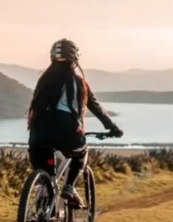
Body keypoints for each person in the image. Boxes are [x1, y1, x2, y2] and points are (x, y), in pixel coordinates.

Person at [27, 39, 122, 206]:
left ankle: (42, 209)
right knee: (81, 152)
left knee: (46, 173)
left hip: (38, 134)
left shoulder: (44, 80)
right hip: (67, 132)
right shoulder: (79, 82)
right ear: (75, 59)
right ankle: (69, 187)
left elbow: (35, 106)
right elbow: (96, 107)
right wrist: (112, 127)